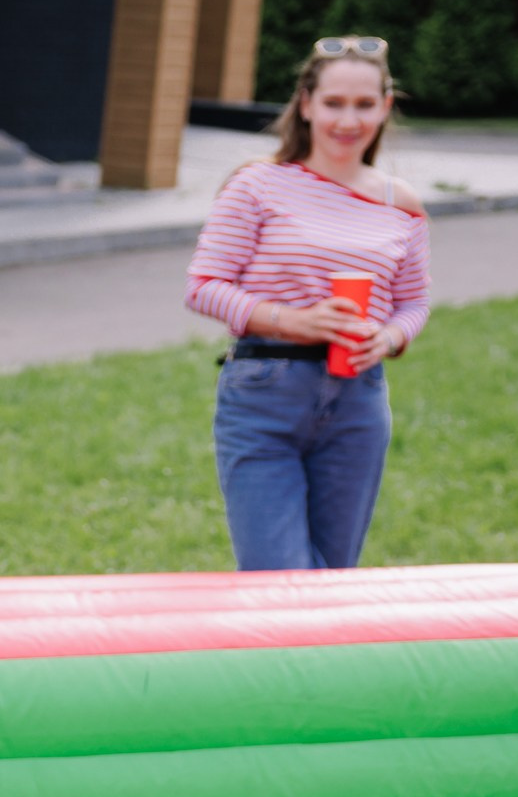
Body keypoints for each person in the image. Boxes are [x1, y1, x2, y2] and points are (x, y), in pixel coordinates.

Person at [184, 38, 430, 571]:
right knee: (279, 581)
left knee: (333, 583)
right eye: (334, 103)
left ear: (385, 107)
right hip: (264, 393)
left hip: (358, 401)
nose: (348, 119)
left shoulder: (400, 201)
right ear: (306, 103)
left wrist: (387, 338)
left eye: (364, 104)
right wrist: (294, 320)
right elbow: (204, 285)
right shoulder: (257, 185)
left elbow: (413, 303)